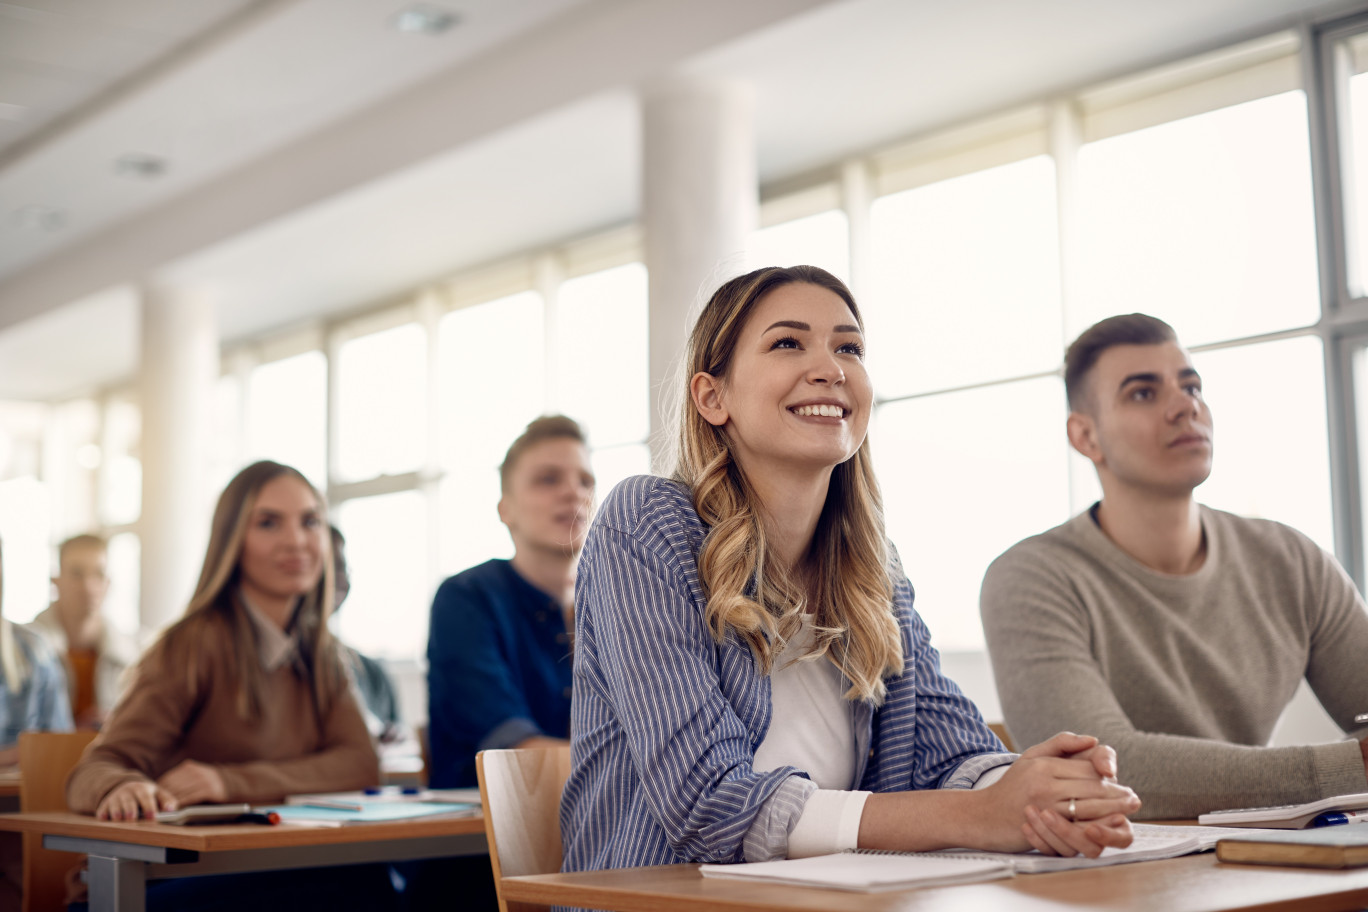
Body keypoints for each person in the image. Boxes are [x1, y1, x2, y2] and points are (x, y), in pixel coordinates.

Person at [560, 266, 1139, 876]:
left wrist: (1039, 791)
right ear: (713, 397)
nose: (831, 368)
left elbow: (949, 749)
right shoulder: (647, 521)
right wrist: (982, 815)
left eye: (849, 348)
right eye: (788, 343)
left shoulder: (872, 567)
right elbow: (709, 806)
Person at [980, 313, 1368, 820]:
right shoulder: (1030, 577)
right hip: (1112, 880)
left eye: (1192, 386)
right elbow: (1099, 770)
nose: (1185, 406)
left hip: (1263, 853)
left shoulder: (1293, 560)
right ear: (1086, 436)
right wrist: (1341, 769)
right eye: (1143, 393)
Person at [65, 461, 390, 911]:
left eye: (310, 521)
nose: (296, 540)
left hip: (262, 866)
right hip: (154, 881)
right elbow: (95, 768)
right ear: (232, 541)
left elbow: (359, 765)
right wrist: (120, 788)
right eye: (269, 522)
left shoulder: (323, 653)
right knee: (350, 888)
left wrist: (225, 781)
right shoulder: (192, 645)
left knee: (364, 879)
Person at [426, 415, 593, 788]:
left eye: (586, 481)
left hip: (603, 830)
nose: (574, 492)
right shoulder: (465, 598)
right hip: (480, 834)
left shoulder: (611, 607)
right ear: (506, 509)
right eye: (548, 479)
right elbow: (513, 749)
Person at [27, 534, 139, 729]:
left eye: (99, 574)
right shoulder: (24, 650)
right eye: (76, 574)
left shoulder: (134, 655)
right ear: (55, 580)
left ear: (108, 583)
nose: (88, 586)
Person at [330, 525, 402, 743]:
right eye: (328, 567)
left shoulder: (371, 673)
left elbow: (398, 738)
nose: (339, 578)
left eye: (342, 567)